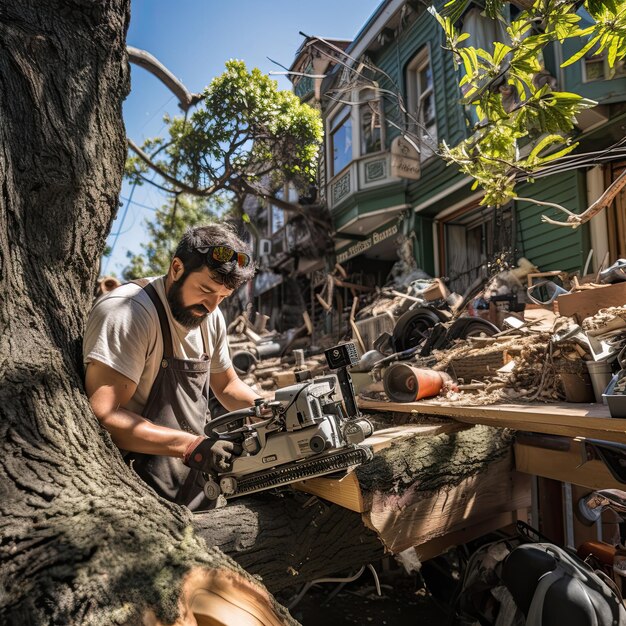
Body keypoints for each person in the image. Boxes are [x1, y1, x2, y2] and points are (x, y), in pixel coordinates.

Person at [83, 223, 260, 510]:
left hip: (191, 477)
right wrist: (190, 446)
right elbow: (104, 415)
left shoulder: (209, 318)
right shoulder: (128, 313)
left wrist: (268, 408)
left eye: (223, 298)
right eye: (205, 290)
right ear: (176, 268)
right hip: (134, 488)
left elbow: (226, 386)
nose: (212, 307)